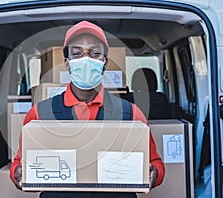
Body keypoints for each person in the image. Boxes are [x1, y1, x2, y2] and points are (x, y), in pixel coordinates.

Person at [10, 20, 165, 198]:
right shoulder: (40, 114)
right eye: (77, 53)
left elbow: (155, 163)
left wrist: (154, 174)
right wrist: (18, 173)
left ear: (105, 63)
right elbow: (20, 163)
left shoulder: (130, 113)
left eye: (95, 53)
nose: (86, 60)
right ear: (67, 63)